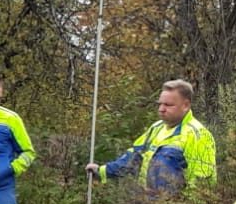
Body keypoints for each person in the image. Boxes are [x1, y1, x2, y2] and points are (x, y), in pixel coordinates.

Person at [87, 79, 217, 193]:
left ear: (186, 105)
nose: (161, 109)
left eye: (168, 105)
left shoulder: (198, 134)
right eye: (160, 104)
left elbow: (203, 182)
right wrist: (102, 171)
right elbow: (133, 157)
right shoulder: (156, 128)